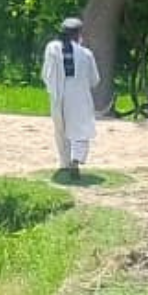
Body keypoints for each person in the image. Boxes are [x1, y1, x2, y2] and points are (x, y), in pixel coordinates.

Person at [41, 17, 100, 180]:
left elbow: (46, 74)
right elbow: (94, 80)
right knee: (81, 130)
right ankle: (76, 160)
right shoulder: (86, 54)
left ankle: (64, 163)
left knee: (61, 130)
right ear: (79, 34)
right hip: (79, 97)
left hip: (58, 95)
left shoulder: (52, 48)